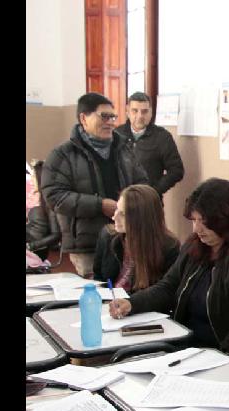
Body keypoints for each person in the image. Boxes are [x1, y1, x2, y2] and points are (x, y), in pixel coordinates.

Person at [108, 179, 229, 349]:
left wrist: (221, 357)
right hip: (183, 342)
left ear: (226, 218)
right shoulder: (194, 246)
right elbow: (168, 286)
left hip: (217, 352)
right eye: (194, 220)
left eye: (203, 221)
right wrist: (132, 303)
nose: (196, 229)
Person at [42, 93, 148, 277]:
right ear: (84, 118)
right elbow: (54, 196)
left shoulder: (123, 148)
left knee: (126, 292)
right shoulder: (63, 154)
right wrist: (100, 205)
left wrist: (130, 201)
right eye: (104, 116)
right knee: (97, 292)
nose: (110, 122)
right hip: (87, 244)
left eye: (112, 117)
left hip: (128, 237)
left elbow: (143, 183)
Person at [92, 184, 180, 293]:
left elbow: (165, 292)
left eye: (123, 214)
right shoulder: (108, 236)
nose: (114, 217)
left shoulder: (168, 247)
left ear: (142, 218)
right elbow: (98, 278)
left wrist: (130, 303)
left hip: (141, 307)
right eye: (116, 210)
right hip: (108, 304)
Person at [115, 92, 185, 198]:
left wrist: (155, 191)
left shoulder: (162, 137)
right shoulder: (116, 135)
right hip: (120, 201)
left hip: (150, 202)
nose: (140, 116)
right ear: (127, 112)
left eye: (144, 111)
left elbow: (176, 170)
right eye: (135, 111)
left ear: (151, 112)